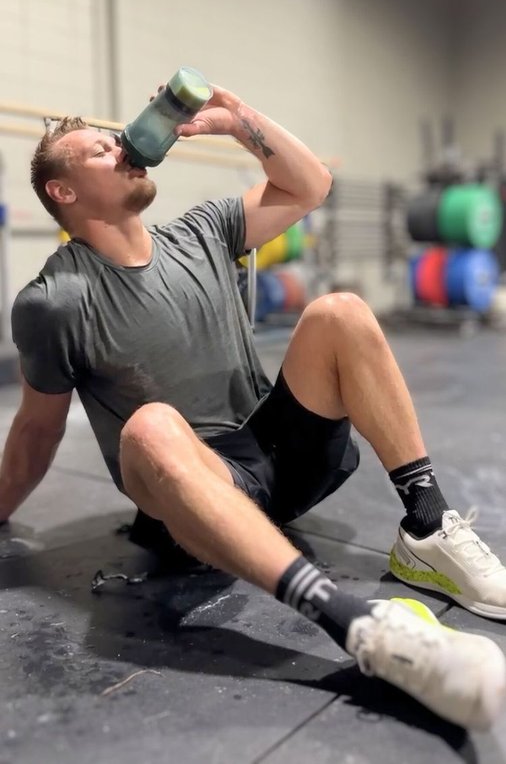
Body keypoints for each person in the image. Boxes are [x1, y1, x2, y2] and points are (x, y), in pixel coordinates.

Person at [1, 82, 505, 731]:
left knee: (341, 312)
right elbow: (37, 430)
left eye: (116, 137)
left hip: (281, 458)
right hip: (194, 500)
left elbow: (311, 186)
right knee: (150, 427)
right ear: (63, 193)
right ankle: (360, 628)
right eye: (99, 149)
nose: (122, 145)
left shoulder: (203, 231)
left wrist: (238, 119)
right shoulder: (57, 300)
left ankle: (428, 529)